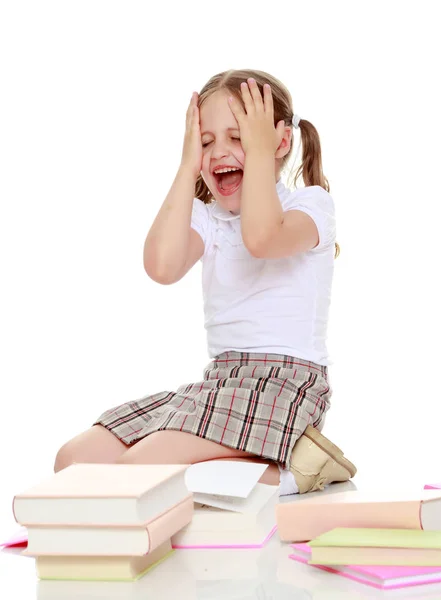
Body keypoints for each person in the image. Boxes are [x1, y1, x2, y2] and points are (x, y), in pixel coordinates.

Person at [54, 69, 356, 495]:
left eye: (239, 137)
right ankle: (234, 468)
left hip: (285, 384)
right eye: (207, 140)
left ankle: (300, 468)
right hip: (221, 382)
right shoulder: (208, 218)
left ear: (280, 143)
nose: (220, 153)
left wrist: (257, 150)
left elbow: (262, 237)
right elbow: (161, 267)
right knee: (73, 462)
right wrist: (185, 165)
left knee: (139, 471)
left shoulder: (309, 206)